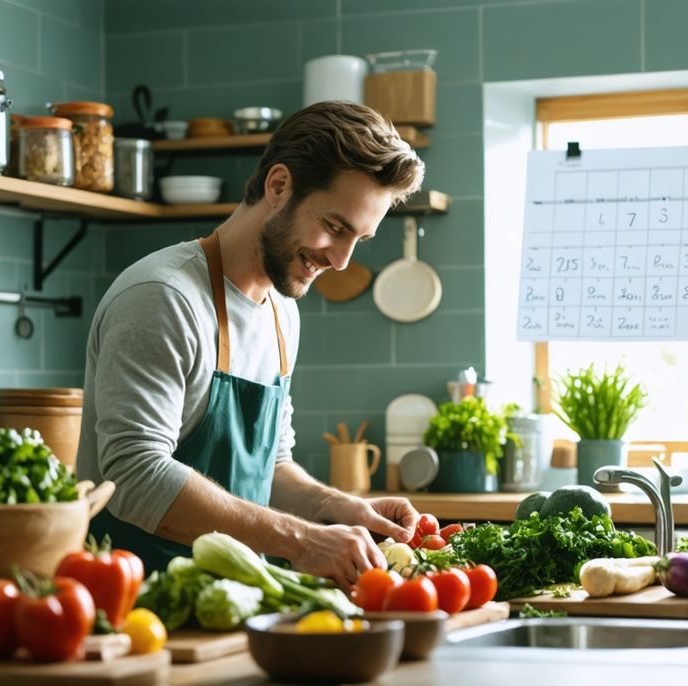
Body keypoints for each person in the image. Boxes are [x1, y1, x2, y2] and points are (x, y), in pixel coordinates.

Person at [77, 102, 426, 588]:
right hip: (139, 604)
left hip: (234, 602)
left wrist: (335, 507)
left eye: (359, 239)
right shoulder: (164, 298)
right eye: (335, 226)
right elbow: (134, 477)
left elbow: (270, 468)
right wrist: (302, 541)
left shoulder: (283, 312)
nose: (342, 261)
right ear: (279, 186)